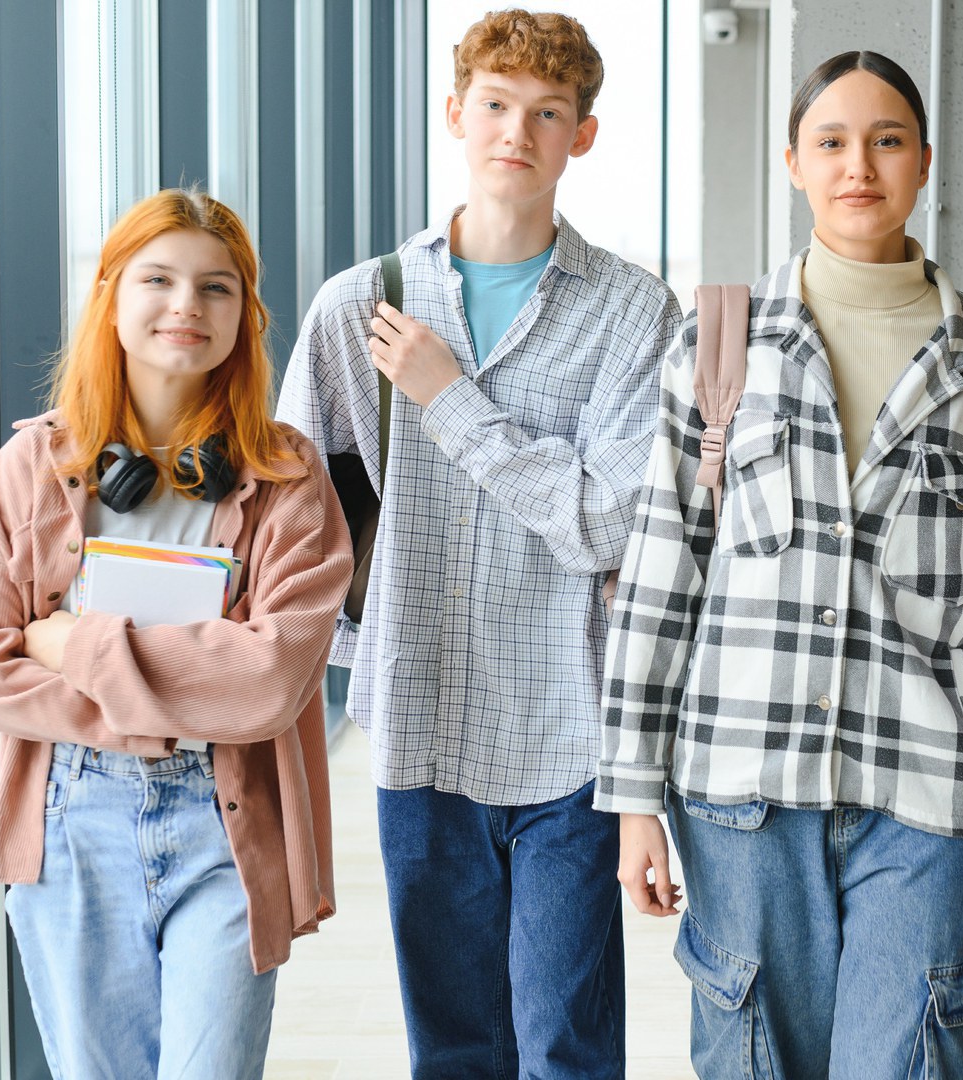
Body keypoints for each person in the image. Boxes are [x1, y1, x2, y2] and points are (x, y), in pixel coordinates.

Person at [597, 49, 963, 1078]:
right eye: (834, 141)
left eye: (888, 140)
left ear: (925, 162)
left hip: (935, 793)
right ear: (794, 163)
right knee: (753, 1058)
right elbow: (661, 577)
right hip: (741, 792)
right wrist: (633, 796)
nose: (861, 164)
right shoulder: (719, 343)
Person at [274, 9, 678, 1077]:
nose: (519, 131)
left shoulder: (636, 315)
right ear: (457, 114)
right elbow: (299, 511)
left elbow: (606, 521)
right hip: (420, 723)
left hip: (568, 731)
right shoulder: (360, 307)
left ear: (581, 136)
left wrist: (448, 400)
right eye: (497, 105)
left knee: (566, 1046)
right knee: (451, 1050)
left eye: (548, 113)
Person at [0, 188, 352, 1077]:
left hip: (224, 816)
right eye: (157, 279)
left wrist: (71, 645)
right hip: (69, 823)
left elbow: (271, 681)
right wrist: (182, 693)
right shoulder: (33, 468)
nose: (185, 307)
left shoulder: (286, 479)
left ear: (245, 315)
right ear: (111, 299)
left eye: (216, 288)